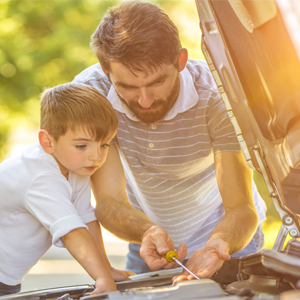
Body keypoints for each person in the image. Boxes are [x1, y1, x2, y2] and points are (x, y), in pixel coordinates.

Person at [73, 0, 267, 280]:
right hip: (147, 240)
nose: (145, 100)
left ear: (180, 61)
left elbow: (241, 208)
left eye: (156, 82)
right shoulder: (92, 96)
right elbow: (109, 200)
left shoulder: (217, 97)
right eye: (127, 86)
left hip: (226, 241)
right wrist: (147, 232)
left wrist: (217, 245)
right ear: (105, 70)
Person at [0, 82, 134, 297]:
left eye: (104, 144)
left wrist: (105, 269)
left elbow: (85, 218)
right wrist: (102, 279)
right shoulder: (40, 177)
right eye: (82, 146)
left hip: (8, 277)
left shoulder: (75, 167)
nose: (96, 156)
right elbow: (72, 231)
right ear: (48, 142)